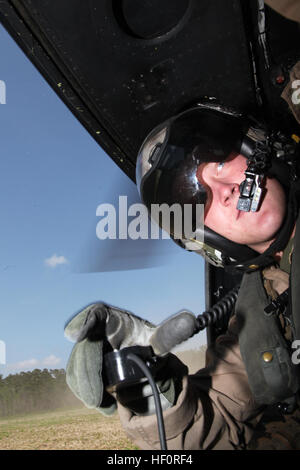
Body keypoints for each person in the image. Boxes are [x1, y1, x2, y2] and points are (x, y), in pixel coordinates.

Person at [64, 2, 300, 451]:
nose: (221, 185)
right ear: (207, 243)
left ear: (254, 145)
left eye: (215, 155)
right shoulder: (259, 310)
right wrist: (153, 394)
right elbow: (219, 422)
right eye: (195, 199)